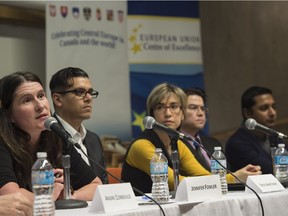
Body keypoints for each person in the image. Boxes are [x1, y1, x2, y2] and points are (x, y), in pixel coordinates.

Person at [121, 82, 261, 193]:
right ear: (152, 115)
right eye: (160, 107)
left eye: (174, 106)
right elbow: (177, 182)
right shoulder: (142, 146)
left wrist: (238, 176)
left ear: (182, 114)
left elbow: (203, 176)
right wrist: (234, 178)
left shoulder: (178, 143)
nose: (168, 113)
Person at [0, 71, 102, 202]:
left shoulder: (57, 138)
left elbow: (96, 186)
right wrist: (47, 196)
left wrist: (68, 195)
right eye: (27, 100)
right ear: (10, 116)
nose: (40, 105)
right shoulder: (3, 143)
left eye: (41, 96)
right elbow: (10, 196)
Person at [49, 67, 108, 184]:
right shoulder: (47, 137)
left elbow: (104, 186)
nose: (89, 98)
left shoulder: (93, 139)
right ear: (58, 99)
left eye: (90, 92)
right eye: (80, 92)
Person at [225, 86, 287, 174]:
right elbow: (269, 170)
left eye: (274, 107)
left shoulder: (275, 137)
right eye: (264, 108)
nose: (272, 113)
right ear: (247, 113)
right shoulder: (237, 143)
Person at [181, 87, 222, 171]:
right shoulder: (174, 145)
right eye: (193, 107)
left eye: (203, 109)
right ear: (180, 111)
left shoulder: (214, 143)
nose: (200, 113)